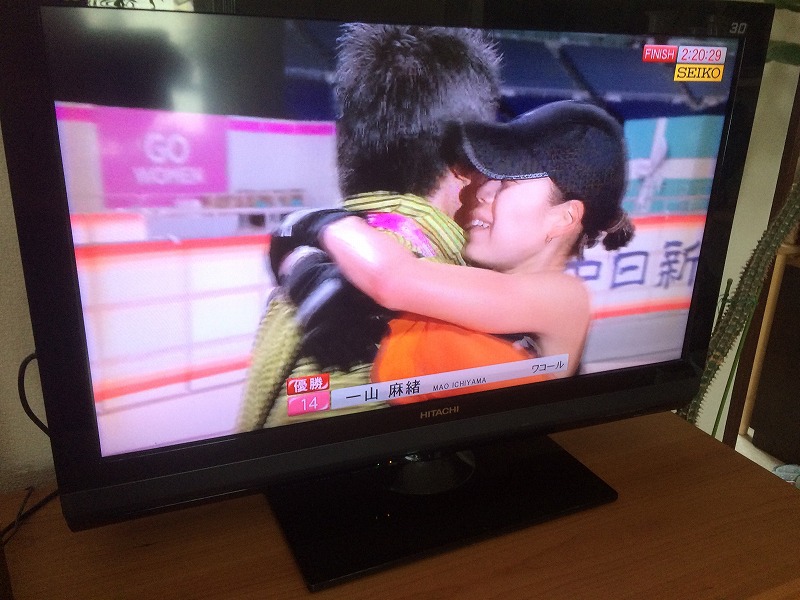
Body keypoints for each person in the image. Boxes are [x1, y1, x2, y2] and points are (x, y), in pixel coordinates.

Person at [237, 24, 501, 430]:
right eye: (491, 155)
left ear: (347, 145)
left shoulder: (313, 268)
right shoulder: (428, 311)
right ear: (465, 161)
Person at [311, 100, 635, 403]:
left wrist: (317, 224)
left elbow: (392, 280)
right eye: (490, 176)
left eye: (507, 183)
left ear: (563, 218)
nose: (481, 190)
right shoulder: (460, 272)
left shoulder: (564, 299)